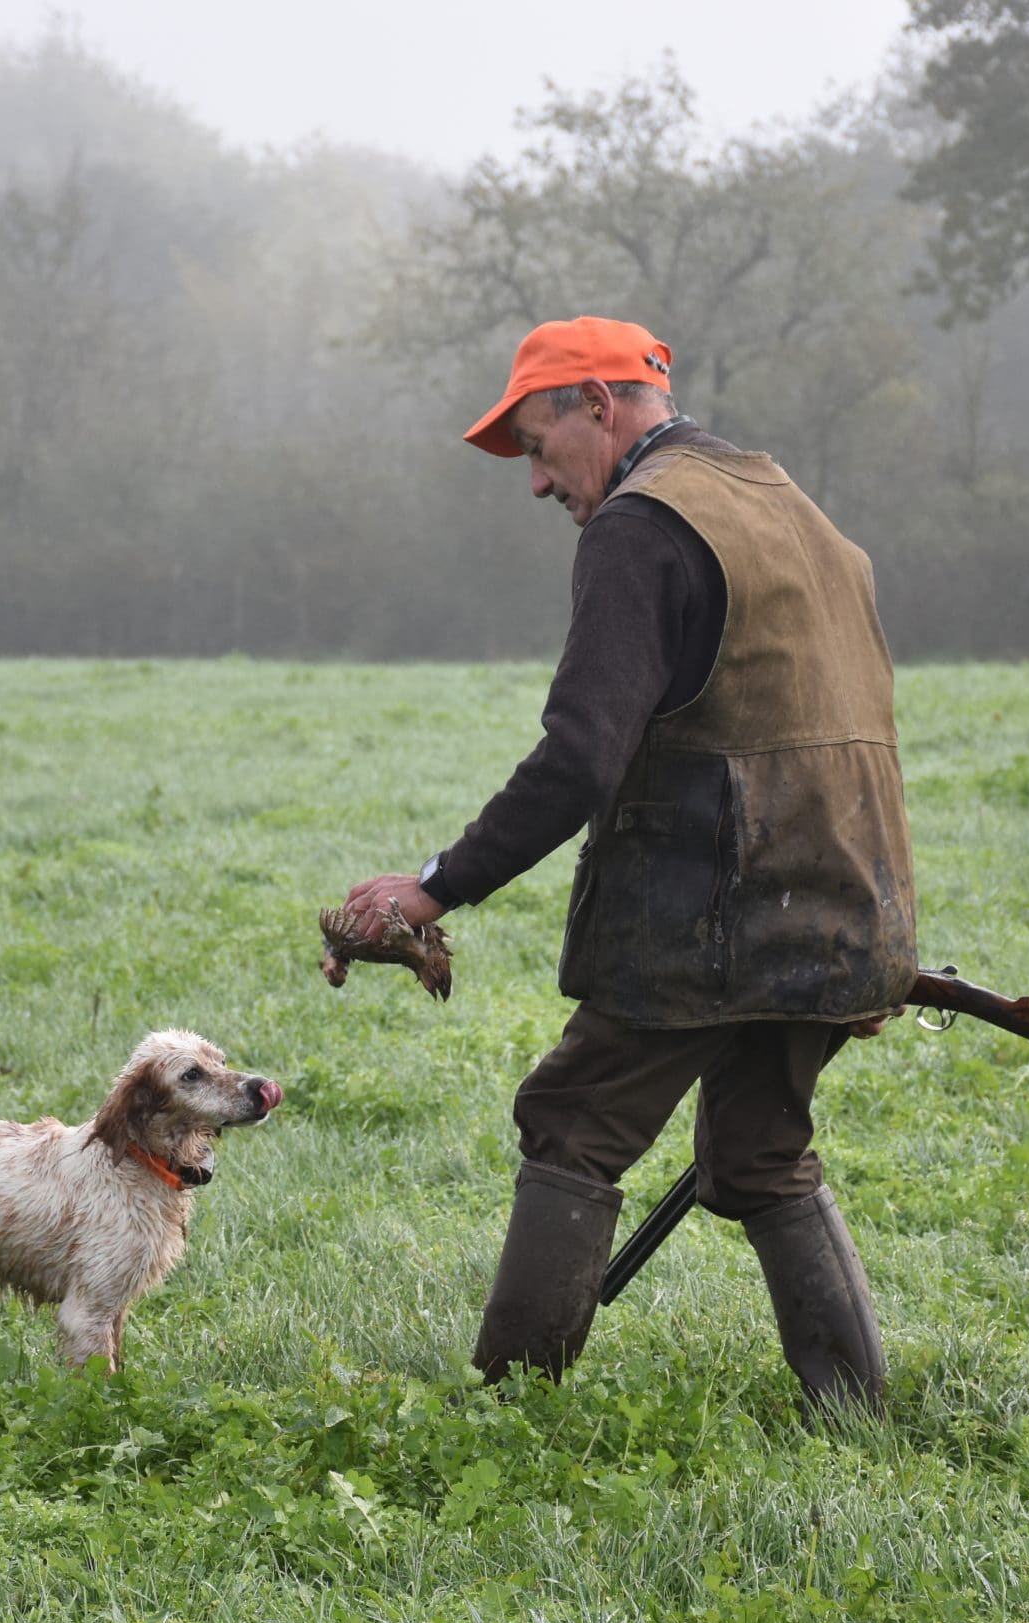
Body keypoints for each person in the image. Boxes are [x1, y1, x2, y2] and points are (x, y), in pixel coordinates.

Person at [341, 316, 916, 1413]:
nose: (534, 483)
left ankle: (510, 1416)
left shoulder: (641, 525)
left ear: (598, 407)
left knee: (573, 1118)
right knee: (761, 1150)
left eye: (536, 447)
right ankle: (856, 1416)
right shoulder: (793, 509)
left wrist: (434, 885)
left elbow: (578, 759)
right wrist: (862, 946)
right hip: (842, 903)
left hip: (712, 913)